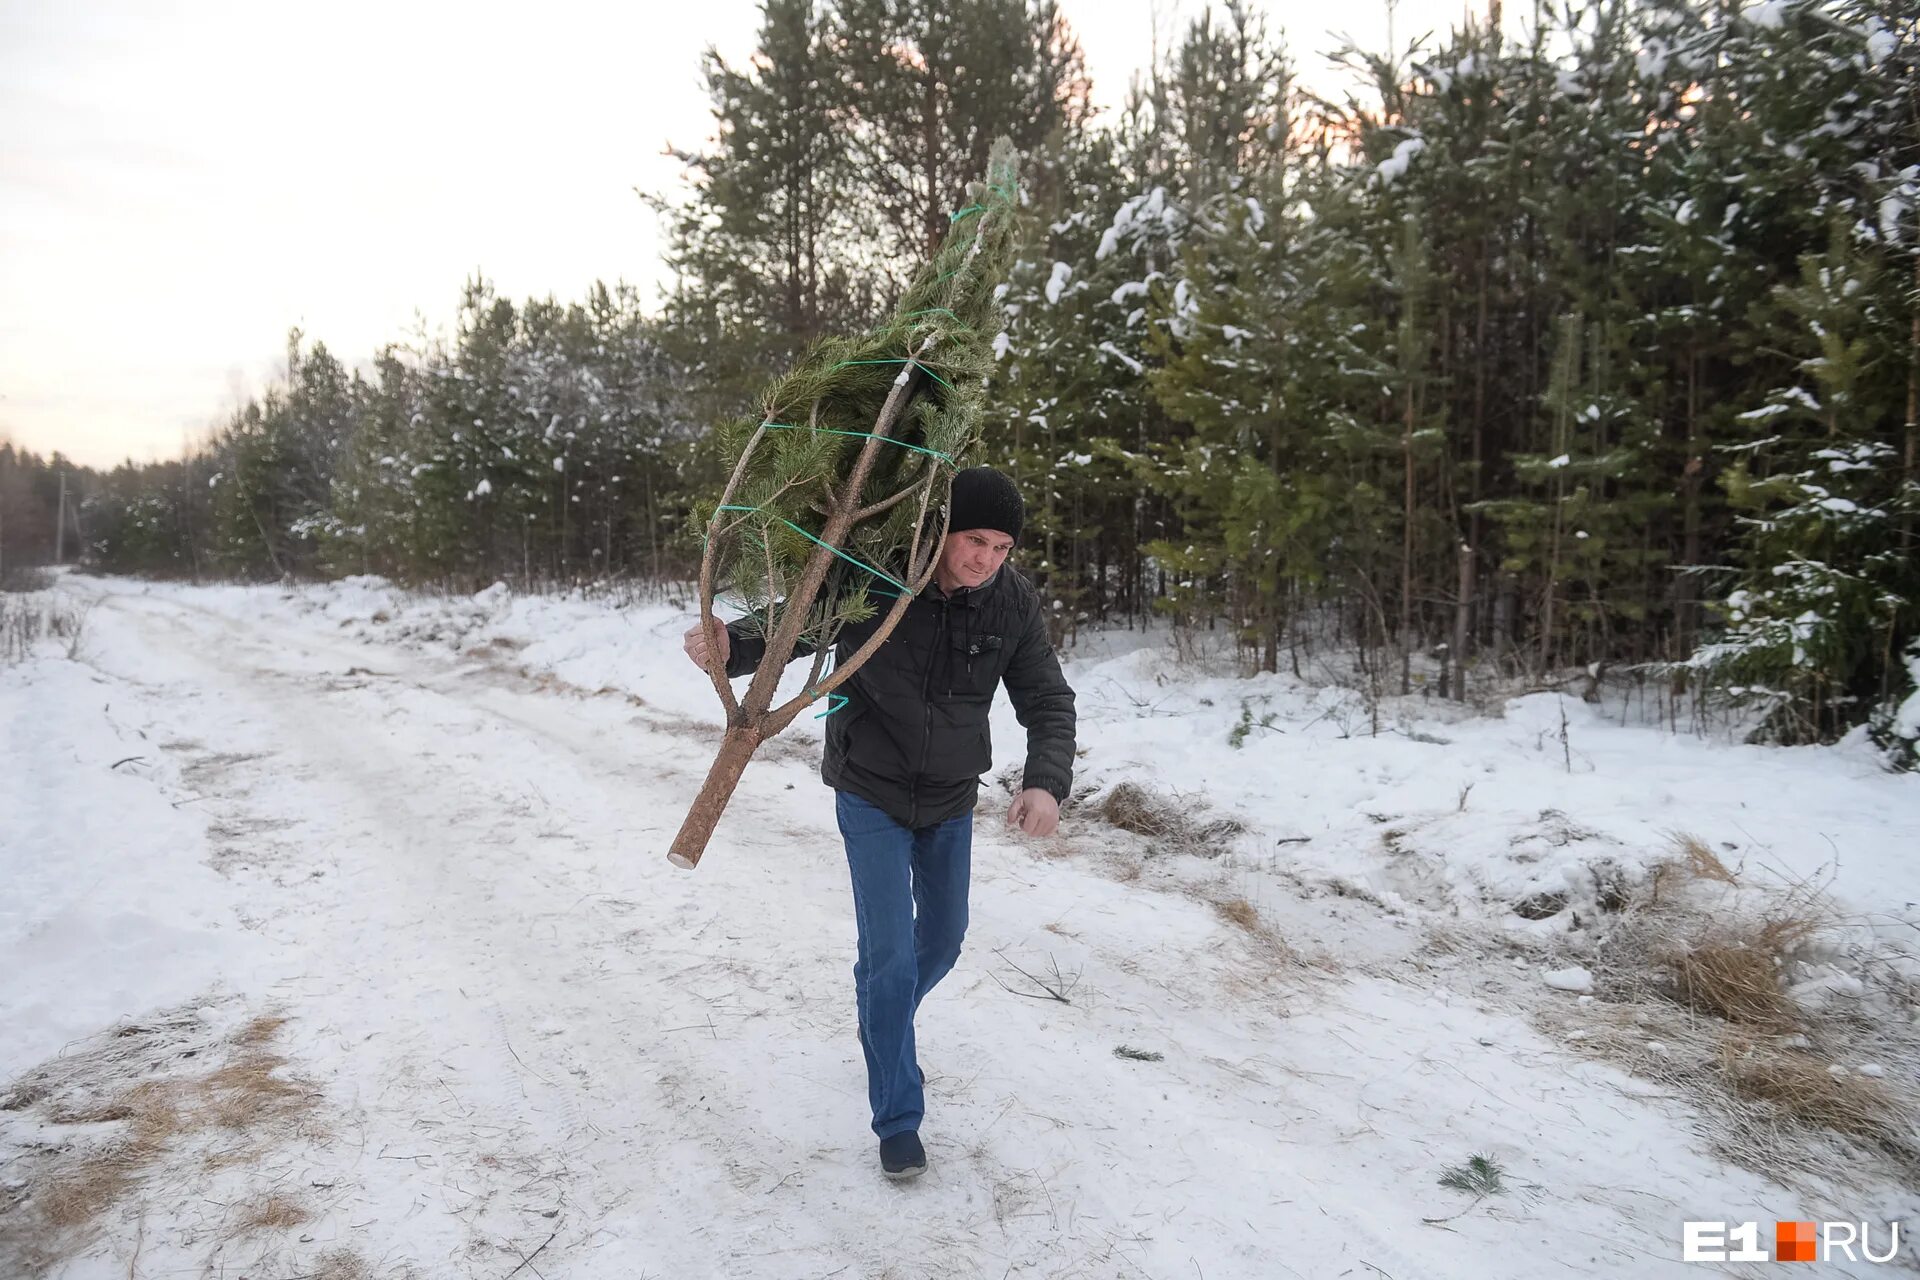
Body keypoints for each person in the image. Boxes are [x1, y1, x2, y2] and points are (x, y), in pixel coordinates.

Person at [682, 466, 1077, 1180]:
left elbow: (1047, 697)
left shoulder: (1010, 603)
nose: (985, 559)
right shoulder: (881, 577)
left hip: (952, 795)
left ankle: (881, 1017)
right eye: (974, 540)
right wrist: (731, 644)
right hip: (870, 787)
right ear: (943, 531)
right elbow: (799, 620)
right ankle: (898, 1117)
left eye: (1001, 548)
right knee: (891, 955)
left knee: (944, 941)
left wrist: (1047, 781)